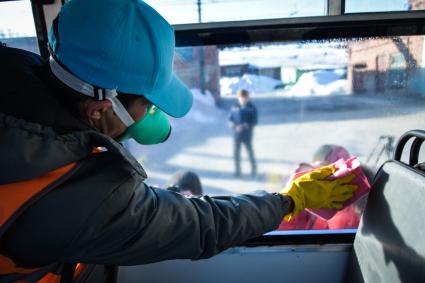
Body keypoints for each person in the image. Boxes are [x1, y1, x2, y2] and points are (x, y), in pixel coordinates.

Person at [0, 1, 357, 282]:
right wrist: (290, 199)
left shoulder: (18, 81)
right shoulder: (83, 195)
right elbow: (204, 225)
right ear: (99, 109)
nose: (152, 114)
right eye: (149, 104)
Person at [228, 89, 258, 177]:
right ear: (238, 98)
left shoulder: (251, 108)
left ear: (248, 98)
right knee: (236, 153)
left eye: (245, 97)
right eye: (241, 98)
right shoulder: (234, 107)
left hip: (247, 134)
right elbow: (230, 120)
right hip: (237, 134)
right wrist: (234, 126)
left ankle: (253, 169)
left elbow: (254, 121)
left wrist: (245, 126)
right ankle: (237, 171)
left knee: (249, 152)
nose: (243, 99)